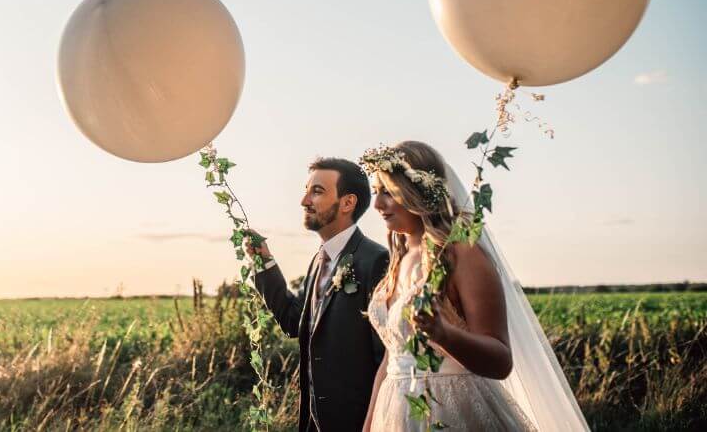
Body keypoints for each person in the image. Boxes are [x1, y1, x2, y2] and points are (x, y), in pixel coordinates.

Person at [362, 141, 588, 432]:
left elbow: (500, 360)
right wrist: (369, 426)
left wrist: (445, 335)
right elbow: (392, 357)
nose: (378, 205)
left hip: (453, 409)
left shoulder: (462, 253)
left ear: (419, 190)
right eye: (375, 192)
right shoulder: (399, 259)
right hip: (393, 411)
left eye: (388, 192)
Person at [246, 157, 389, 432]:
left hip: (356, 421)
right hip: (312, 422)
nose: (304, 200)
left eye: (317, 191)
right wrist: (265, 263)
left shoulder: (376, 261)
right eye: (306, 189)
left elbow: (385, 357)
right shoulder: (318, 261)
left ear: (348, 203)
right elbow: (292, 321)